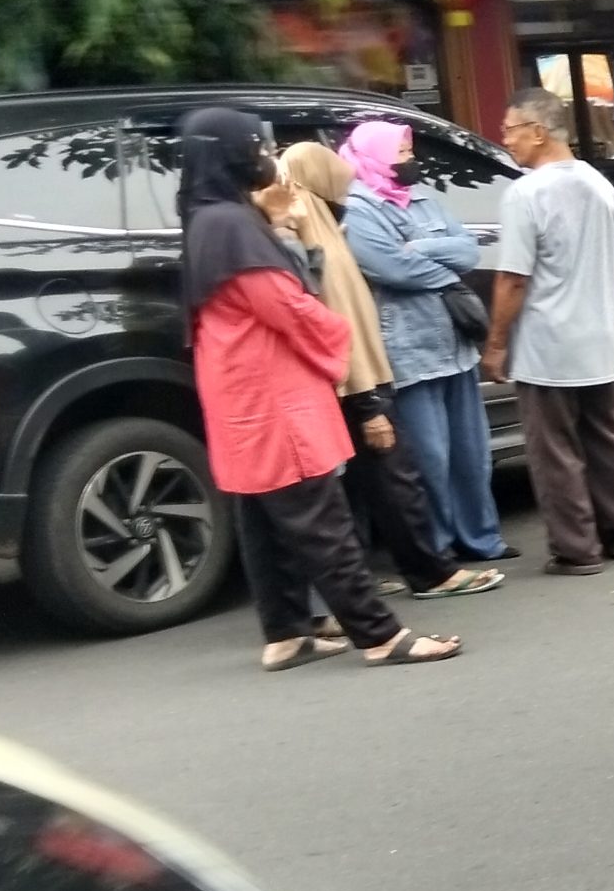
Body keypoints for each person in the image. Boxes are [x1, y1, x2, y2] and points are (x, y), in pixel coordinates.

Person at [179, 109, 461, 670]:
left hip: (239, 397)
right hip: (274, 396)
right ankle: (379, 635)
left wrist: (275, 224)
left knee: (264, 521)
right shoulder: (234, 228)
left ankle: (288, 632)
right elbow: (286, 305)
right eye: (259, 148)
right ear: (235, 155)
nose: (268, 159)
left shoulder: (208, 217)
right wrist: (338, 331)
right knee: (321, 520)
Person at [276, 143, 504, 602]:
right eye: (332, 168)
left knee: (377, 480)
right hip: (353, 376)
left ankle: (388, 574)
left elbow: (464, 249)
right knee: (393, 475)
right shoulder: (303, 233)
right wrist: (367, 400)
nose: (345, 176)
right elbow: (374, 279)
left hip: (365, 372)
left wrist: (421, 250)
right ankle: (422, 571)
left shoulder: (328, 222)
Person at [484, 89, 614, 578]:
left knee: (554, 450)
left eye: (511, 129)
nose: (505, 138)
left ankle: (576, 547)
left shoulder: (525, 193)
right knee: (607, 438)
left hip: (548, 342)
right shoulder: (601, 187)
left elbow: (513, 278)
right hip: (598, 334)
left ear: (539, 132)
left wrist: (495, 343)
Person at [339, 120, 513, 565]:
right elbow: (391, 268)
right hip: (409, 349)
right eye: (401, 153)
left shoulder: (422, 197)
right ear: (375, 155)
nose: (409, 160)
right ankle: (435, 549)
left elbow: (469, 250)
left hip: (454, 345)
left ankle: (482, 540)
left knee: (472, 455)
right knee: (429, 460)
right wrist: (441, 265)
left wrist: (419, 249)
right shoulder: (358, 207)